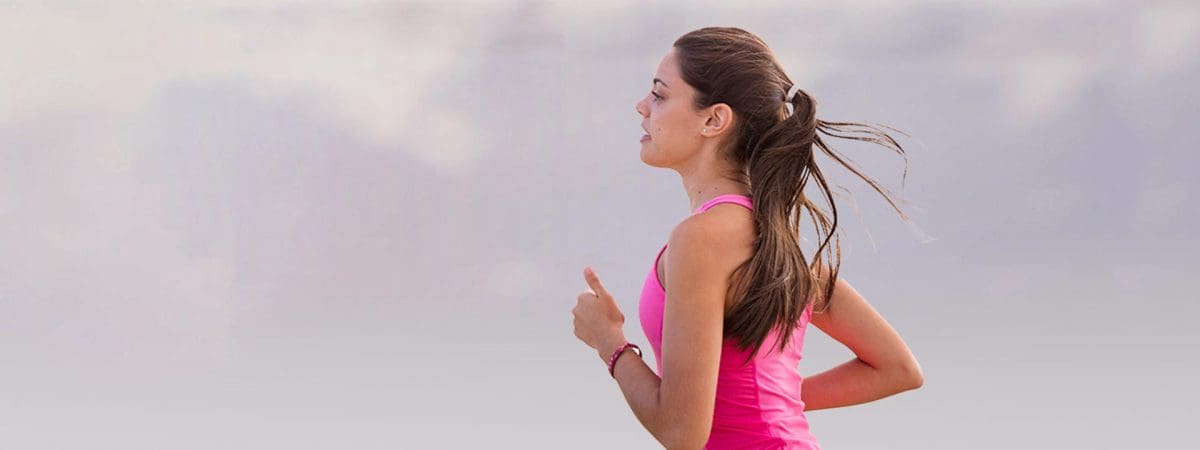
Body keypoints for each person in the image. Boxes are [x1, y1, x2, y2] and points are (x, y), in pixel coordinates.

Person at [572, 26, 924, 449]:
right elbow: (896, 368)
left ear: (714, 119)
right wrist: (772, 404)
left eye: (660, 95)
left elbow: (681, 433)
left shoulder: (701, 239)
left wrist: (610, 342)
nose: (641, 106)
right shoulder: (773, 236)